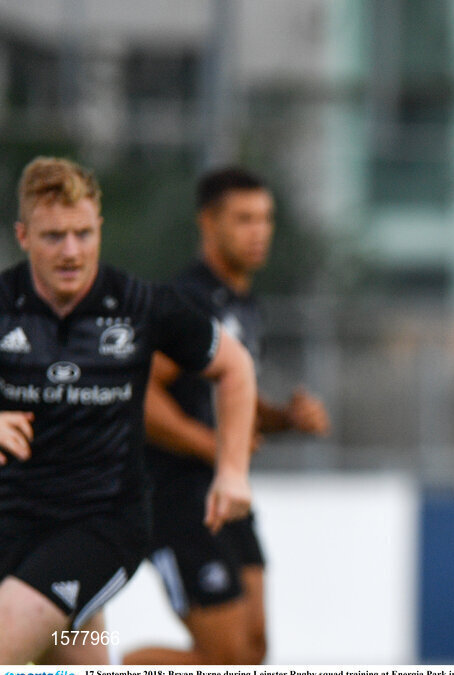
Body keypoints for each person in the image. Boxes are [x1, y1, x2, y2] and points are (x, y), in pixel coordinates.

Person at [0, 157, 256, 665]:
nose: (71, 252)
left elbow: (235, 366)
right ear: (23, 235)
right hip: (12, 522)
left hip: (102, 524)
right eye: (54, 237)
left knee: (9, 630)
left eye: (82, 234)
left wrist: (232, 472)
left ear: (100, 228)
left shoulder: (141, 305)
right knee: (68, 652)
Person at [123, 167, 330, 665]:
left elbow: (233, 402)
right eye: (243, 219)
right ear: (208, 224)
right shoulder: (190, 301)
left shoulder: (241, 303)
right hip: (176, 497)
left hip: (224, 490)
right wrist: (209, 444)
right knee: (226, 657)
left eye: (265, 218)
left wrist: (284, 418)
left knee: (254, 650)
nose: (259, 231)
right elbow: (140, 392)